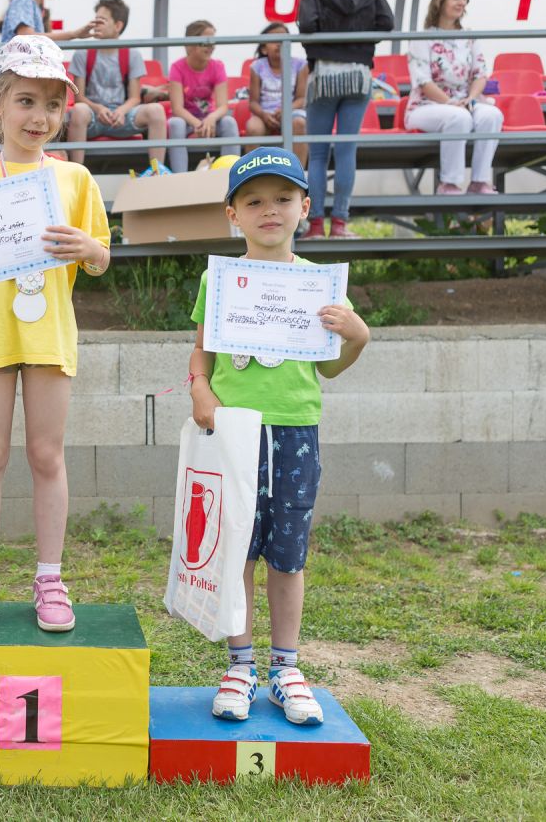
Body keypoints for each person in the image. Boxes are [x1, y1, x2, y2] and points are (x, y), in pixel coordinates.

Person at [189, 147, 369, 725]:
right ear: (233, 215)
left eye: (284, 198)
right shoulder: (217, 280)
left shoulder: (321, 285)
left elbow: (330, 368)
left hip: (296, 433)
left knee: (288, 556)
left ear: (305, 207)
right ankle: (239, 665)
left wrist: (357, 336)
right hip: (233, 433)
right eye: (254, 201)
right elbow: (202, 351)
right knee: (237, 551)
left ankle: (285, 668)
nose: (270, 210)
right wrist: (200, 388)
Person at [0, 36, 110, 633]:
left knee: (46, 454)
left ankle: (50, 578)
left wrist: (89, 248)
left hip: (48, 339)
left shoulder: (76, 179)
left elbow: (101, 258)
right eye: (25, 101)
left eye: (51, 104)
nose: (38, 116)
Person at [298, 0, 394, 239]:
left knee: (318, 155)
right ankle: (340, 223)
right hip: (359, 74)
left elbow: (307, 26)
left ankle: (316, 225)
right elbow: (386, 22)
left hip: (324, 75)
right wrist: (361, 38)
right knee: (346, 150)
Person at [404, 0, 502, 195]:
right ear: (440, 1)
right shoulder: (422, 39)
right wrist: (450, 102)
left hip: (464, 101)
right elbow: (423, 82)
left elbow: (480, 74)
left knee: (492, 115)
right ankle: (449, 183)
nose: (461, 2)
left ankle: (479, 181)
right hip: (426, 105)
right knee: (459, 117)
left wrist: (471, 98)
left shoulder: (470, 37)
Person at [65, 0, 168, 174]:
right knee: (79, 110)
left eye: (102, 20)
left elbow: (135, 97)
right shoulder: (82, 53)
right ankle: (77, 174)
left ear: (118, 26)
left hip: (123, 116)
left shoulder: (132, 54)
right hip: (93, 116)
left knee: (156, 111)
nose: (95, 24)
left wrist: (121, 111)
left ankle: (157, 172)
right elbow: (79, 97)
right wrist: (98, 109)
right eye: (95, 19)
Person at [168, 20, 241, 173]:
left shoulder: (218, 66)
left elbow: (223, 106)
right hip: (187, 121)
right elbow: (177, 108)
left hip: (209, 120)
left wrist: (211, 118)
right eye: (205, 42)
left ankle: (232, 174)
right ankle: (179, 176)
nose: (211, 46)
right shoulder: (177, 67)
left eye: (213, 42)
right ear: (190, 44)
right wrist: (197, 123)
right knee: (176, 124)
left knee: (229, 122)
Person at [247, 22, 309, 165]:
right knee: (253, 127)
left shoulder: (300, 65)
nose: (279, 43)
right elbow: (253, 102)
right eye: (274, 39)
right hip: (265, 114)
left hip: (292, 111)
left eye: (284, 38)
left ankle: (297, 173)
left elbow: (301, 99)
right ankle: (252, 172)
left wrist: (286, 110)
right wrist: (264, 115)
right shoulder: (257, 67)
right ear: (264, 49)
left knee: (299, 123)